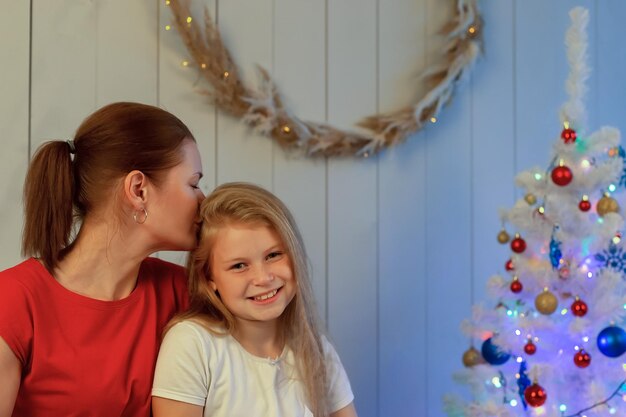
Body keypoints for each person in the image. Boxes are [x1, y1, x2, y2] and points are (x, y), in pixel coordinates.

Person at [0, 102, 205, 417]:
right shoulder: (14, 299)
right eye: (193, 184)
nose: (204, 199)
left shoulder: (181, 292)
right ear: (139, 190)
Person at [152, 182, 358, 417]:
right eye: (239, 266)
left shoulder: (317, 351)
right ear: (209, 278)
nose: (263, 278)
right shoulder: (193, 344)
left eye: (274, 255)